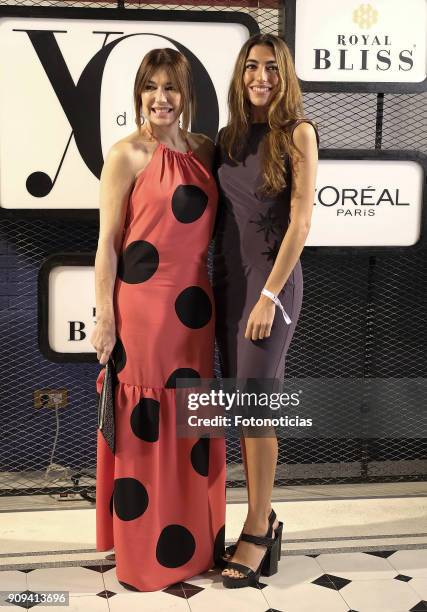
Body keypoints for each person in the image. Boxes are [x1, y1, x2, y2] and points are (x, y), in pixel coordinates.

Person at [90, 47, 226, 592]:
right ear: (139, 94)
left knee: (190, 421)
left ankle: (191, 547)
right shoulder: (126, 155)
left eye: (171, 87)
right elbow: (106, 243)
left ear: (185, 95)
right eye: (152, 87)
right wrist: (104, 317)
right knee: (146, 425)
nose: (162, 98)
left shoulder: (206, 151)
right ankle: (147, 555)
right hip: (144, 310)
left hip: (196, 312)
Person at [213, 33, 319, 588]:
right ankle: (259, 516)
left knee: (257, 409)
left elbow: (301, 221)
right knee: (241, 409)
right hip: (228, 284)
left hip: (270, 286)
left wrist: (270, 294)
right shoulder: (228, 138)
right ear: (241, 73)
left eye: (273, 69)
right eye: (253, 67)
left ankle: (258, 527)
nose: (262, 77)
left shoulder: (297, 133)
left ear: (286, 76)